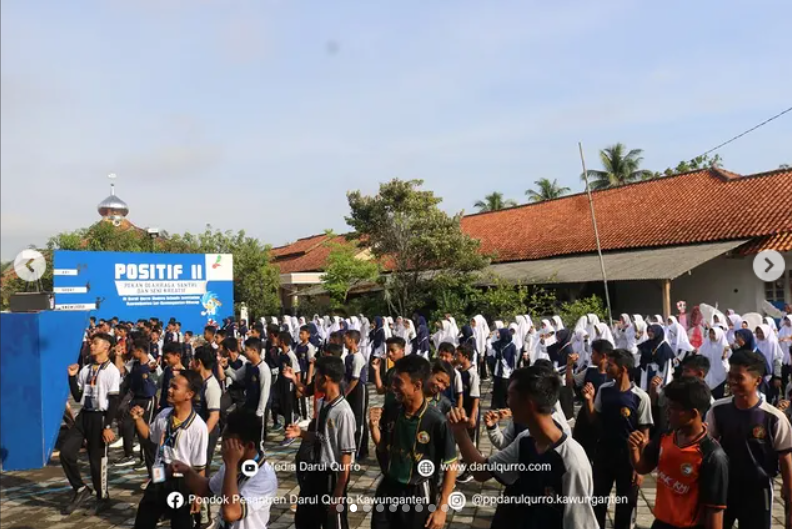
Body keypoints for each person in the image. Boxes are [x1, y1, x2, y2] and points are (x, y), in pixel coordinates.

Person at [448, 365, 596, 529]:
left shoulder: (572, 462)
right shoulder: (525, 440)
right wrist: (460, 432)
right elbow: (481, 471)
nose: (507, 402)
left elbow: (580, 523)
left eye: (511, 395)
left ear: (529, 403)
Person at [368, 355, 457, 529]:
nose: (393, 387)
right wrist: (373, 427)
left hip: (417, 493)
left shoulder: (437, 421)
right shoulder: (392, 409)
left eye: (399, 383)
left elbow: (451, 465)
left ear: (417, 386)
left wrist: (442, 508)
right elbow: (383, 447)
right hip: (388, 488)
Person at [706, 351, 792, 529]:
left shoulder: (773, 418)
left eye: (739, 378)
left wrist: (790, 499)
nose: (733, 382)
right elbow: (706, 447)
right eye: (730, 376)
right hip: (724, 488)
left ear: (757, 381)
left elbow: (786, 459)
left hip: (758, 492)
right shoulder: (718, 410)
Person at [629, 377, 728, 529]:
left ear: (693, 413)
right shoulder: (665, 435)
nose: (667, 412)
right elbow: (642, 468)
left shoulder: (712, 456)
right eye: (667, 406)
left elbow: (714, 511)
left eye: (673, 408)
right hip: (660, 523)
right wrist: (634, 449)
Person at [174, 408, 278, 529]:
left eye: (229, 444)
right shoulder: (233, 465)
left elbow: (231, 512)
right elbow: (207, 488)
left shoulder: (264, 479)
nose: (222, 448)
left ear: (249, 446)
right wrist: (186, 471)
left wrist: (231, 465)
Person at [584, 348, 653, 529]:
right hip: (604, 454)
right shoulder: (604, 391)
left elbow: (644, 435)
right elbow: (594, 420)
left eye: (611, 364)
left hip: (628, 458)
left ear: (623, 369)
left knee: (625, 504)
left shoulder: (640, 397)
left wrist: (640, 468)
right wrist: (589, 400)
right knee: (598, 500)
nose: (606, 367)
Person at [131, 371, 208, 529]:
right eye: (170, 386)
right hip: (159, 474)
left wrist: (197, 497)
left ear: (189, 394)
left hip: (182, 481)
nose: (169, 390)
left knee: (181, 523)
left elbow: (200, 467)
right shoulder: (164, 415)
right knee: (144, 520)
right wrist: (138, 419)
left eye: (175, 387)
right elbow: (149, 435)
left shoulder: (198, 427)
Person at [286, 357, 357, 529]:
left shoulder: (343, 412)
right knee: (304, 520)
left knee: (333, 522)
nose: (314, 380)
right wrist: (301, 433)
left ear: (325, 378)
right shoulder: (323, 403)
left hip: (331, 477)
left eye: (316, 375)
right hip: (315, 471)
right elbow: (321, 437)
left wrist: (339, 491)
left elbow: (346, 455)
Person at [61, 333, 122, 515]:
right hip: (84, 416)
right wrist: (72, 377)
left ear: (106, 347)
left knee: (97, 462)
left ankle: (103, 498)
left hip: (100, 418)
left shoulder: (111, 371)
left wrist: (108, 426)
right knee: (66, 452)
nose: (91, 345)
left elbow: (113, 401)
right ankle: (80, 489)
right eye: (91, 342)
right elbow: (79, 397)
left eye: (95, 343)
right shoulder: (86, 369)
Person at [116, 337, 160, 472]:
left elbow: (159, 383)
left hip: (147, 400)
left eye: (134, 350)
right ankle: (129, 455)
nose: (131, 352)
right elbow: (122, 371)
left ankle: (144, 458)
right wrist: (118, 356)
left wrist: (158, 401)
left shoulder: (153, 365)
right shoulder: (134, 363)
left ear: (140, 351)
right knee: (126, 424)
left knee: (144, 431)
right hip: (135, 399)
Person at [570, 338, 611, 462]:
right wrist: (569, 366)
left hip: (601, 417)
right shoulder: (590, 371)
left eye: (593, 353)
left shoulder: (612, 376)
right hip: (585, 416)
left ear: (603, 356)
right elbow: (570, 383)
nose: (591, 356)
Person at [223, 337, 272, 430]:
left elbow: (264, 392)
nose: (244, 352)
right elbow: (236, 376)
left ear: (254, 350)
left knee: (258, 435)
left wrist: (259, 412)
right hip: (249, 403)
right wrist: (226, 367)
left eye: (246, 350)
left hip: (259, 407)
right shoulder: (248, 365)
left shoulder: (263, 368)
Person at [191, 346, 223, 475]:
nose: (191, 363)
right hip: (194, 431)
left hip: (206, 432)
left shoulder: (211, 386)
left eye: (193, 360)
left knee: (201, 468)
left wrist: (201, 436)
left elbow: (214, 416)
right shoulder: (197, 381)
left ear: (199, 362)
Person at [453, 343, 481, 483]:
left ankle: (472, 469)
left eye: (458, 355)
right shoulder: (458, 371)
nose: (455, 357)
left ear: (466, 357)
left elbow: (476, 397)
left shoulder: (472, 374)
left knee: (470, 441)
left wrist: (473, 416)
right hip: (461, 410)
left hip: (470, 410)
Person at [343, 330, 369, 460]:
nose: (344, 341)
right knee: (352, 418)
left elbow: (355, 379)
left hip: (359, 389)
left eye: (346, 338)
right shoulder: (348, 355)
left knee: (359, 420)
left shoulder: (358, 357)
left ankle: (360, 450)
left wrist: (346, 392)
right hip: (351, 388)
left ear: (352, 340)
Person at [276, 331, 302, 446]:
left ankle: (289, 435)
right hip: (281, 386)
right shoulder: (281, 354)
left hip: (289, 387)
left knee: (288, 412)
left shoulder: (291, 356)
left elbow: (297, 372)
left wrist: (297, 388)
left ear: (282, 341)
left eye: (278, 339)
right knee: (279, 407)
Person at [371, 336, 406, 410]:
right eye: (388, 350)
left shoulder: (409, 370)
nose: (389, 354)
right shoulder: (391, 371)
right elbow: (380, 390)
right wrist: (376, 371)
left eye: (393, 350)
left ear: (402, 350)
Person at [437, 342, 464, 408]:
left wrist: (459, 410)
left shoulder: (456, 374)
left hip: (450, 408)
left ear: (452, 357)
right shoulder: (434, 371)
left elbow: (460, 395)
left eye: (446, 356)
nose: (443, 358)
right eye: (441, 355)